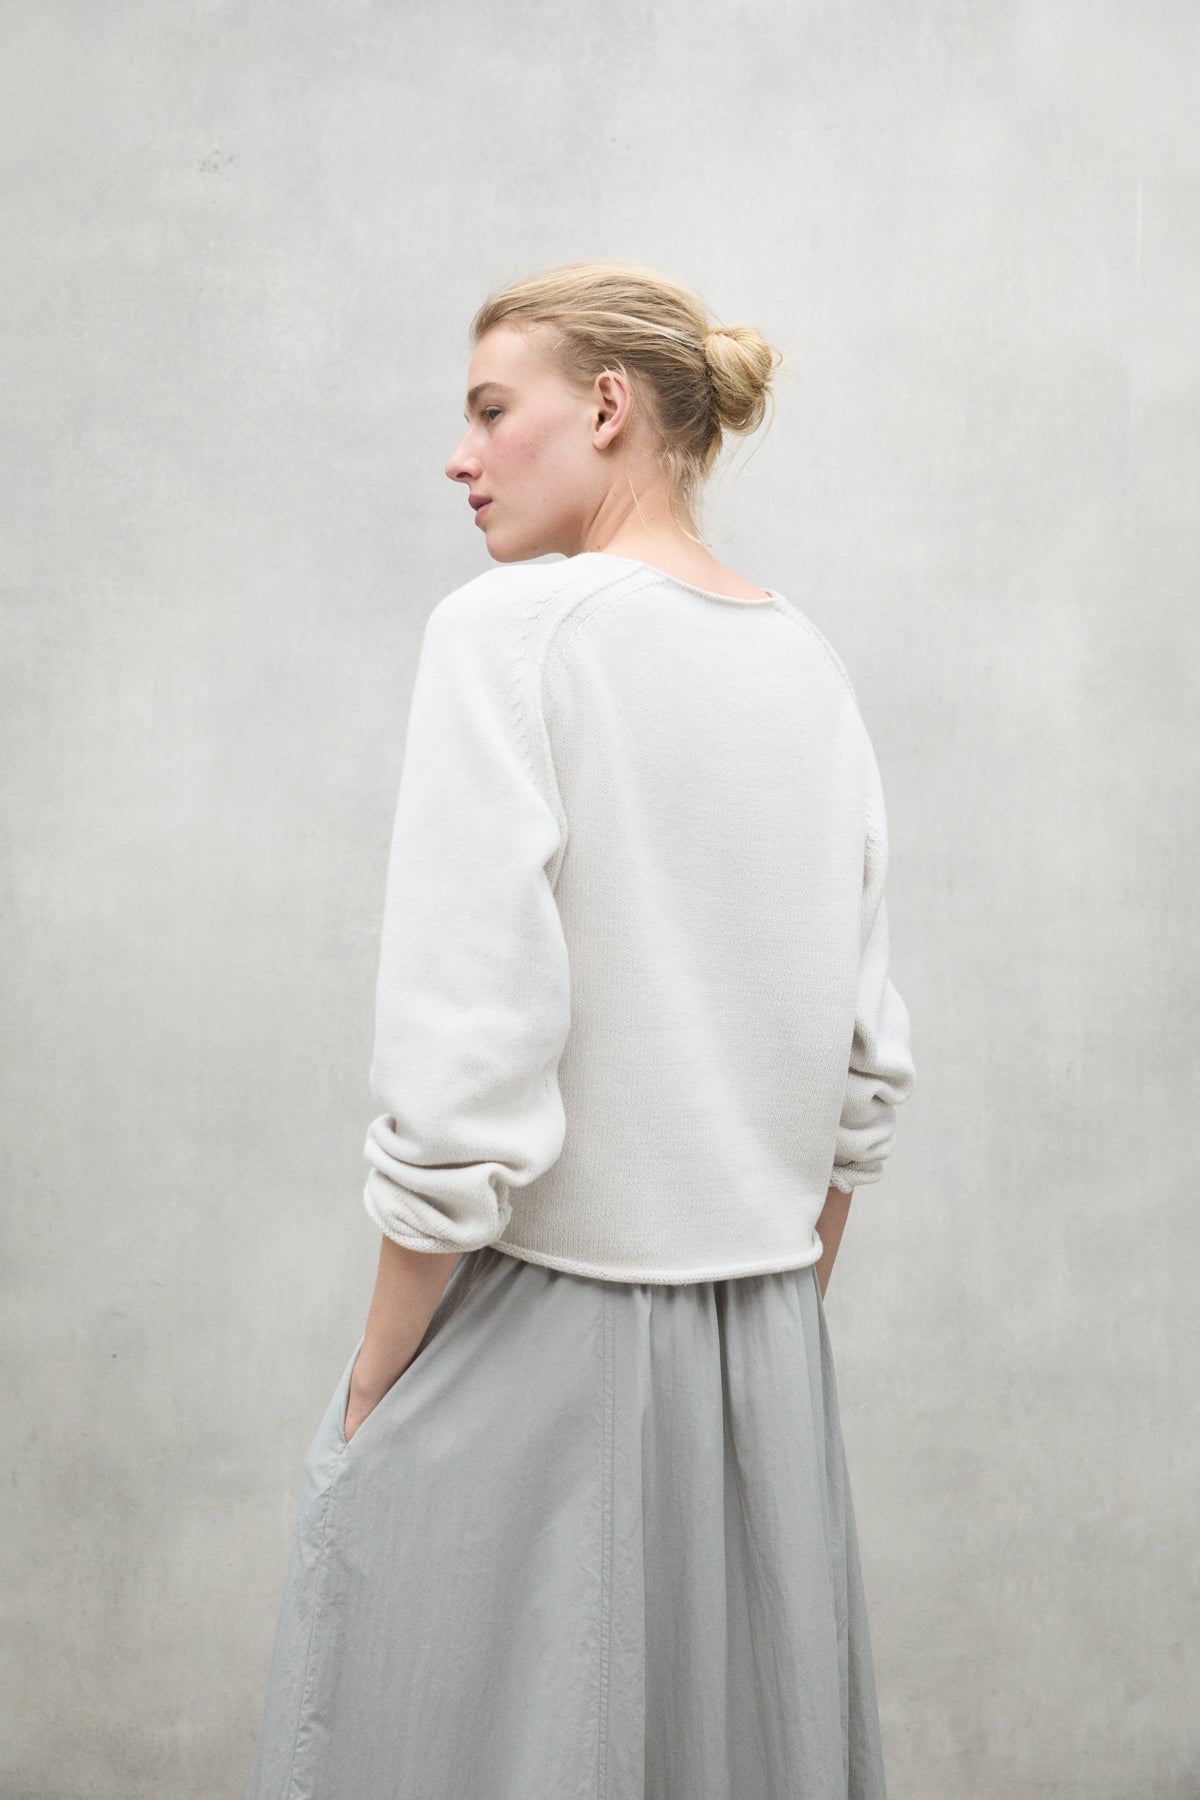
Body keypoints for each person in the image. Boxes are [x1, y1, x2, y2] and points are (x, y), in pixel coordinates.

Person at [246, 257, 917, 1800]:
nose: (460, 456)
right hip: (766, 1359)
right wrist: (764, 1313)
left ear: (608, 406)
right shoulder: (804, 660)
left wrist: (376, 1387)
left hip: (541, 1344)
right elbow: (865, 1065)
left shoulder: (510, 632)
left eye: (492, 410)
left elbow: (465, 1052)